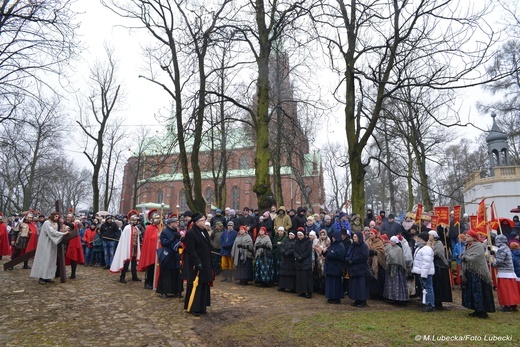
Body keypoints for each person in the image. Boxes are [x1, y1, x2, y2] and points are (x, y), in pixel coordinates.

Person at [183, 213, 212, 316]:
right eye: (202, 220)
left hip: (206, 262)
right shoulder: (191, 233)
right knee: (197, 285)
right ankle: (195, 307)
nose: (204, 222)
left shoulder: (204, 231)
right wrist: (197, 262)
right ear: (196, 222)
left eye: (204, 220)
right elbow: (190, 249)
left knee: (203, 284)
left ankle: (202, 306)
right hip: (197, 263)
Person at [461, 230, 495, 318]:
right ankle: (476, 309)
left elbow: (476, 257)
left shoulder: (478, 246)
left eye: (468, 236)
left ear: (473, 237)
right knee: (473, 291)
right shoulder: (468, 246)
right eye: (466, 236)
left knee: (479, 291)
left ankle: (482, 311)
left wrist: (465, 257)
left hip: (478, 273)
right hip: (470, 272)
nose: (466, 237)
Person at [30, 212, 69, 284]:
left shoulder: (56, 224)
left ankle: (48, 277)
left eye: (57, 217)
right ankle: (41, 277)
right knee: (44, 260)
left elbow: (55, 232)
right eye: (56, 216)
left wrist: (61, 232)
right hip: (45, 244)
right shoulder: (47, 223)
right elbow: (51, 232)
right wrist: (63, 234)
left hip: (52, 244)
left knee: (51, 261)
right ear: (52, 216)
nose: (57, 218)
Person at [110, 210, 142, 284]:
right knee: (126, 263)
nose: (136, 222)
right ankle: (122, 276)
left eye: (136, 220)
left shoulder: (136, 228)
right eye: (135, 220)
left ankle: (134, 276)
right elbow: (125, 239)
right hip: (128, 248)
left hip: (135, 247)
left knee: (134, 263)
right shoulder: (127, 228)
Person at [491, 234, 520, 312]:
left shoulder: (502, 249)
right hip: (509, 272)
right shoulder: (506, 248)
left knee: (505, 291)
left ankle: (507, 305)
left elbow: (500, 260)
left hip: (504, 272)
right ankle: (512, 304)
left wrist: (493, 264)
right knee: (511, 291)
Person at [156, 217, 182, 298]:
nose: (177, 224)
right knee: (166, 274)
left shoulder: (176, 231)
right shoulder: (165, 231)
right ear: (170, 224)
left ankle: (176, 291)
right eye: (175, 222)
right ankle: (163, 291)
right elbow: (164, 243)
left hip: (175, 255)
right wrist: (172, 238)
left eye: (177, 222)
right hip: (167, 255)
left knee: (175, 273)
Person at [428, 230, 452, 309]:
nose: (429, 237)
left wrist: (430, 250)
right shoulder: (430, 243)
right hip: (434, 266)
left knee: (439, 284)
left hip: (440, 266)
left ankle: (439, 302)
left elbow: (438, 253)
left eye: (430, 235)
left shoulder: (439, 244)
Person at [412, 232, 435, 312]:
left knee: (428, 288)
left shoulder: (427, 249)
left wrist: (424, 274)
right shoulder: (420, 248)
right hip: (421, 272)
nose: (418, 240)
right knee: (424, 288)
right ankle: (426, 303)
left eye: (420, 239)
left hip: (425, 273)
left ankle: (430, 304)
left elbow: (426, 263)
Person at [139, 209, 162, 289]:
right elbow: (150, 239)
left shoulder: (159, 227)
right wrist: (157, 236)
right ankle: (148, 282)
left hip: (157, 251)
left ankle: (154, 281)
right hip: (151, 251)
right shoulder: (149, 228)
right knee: (150, 268)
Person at [345, 232, 369, 307]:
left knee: (361, 285)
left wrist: (353, 260)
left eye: (355, 237)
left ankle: (362, 300)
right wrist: (348, 259)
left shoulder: (364, 246)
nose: (354, 238)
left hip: (361, 268)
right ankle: (357, 299)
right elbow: (348, 253)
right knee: (354, 285)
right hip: (353, 269)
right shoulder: (352, 246)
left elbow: (363, 256)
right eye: (354, 237)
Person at [383, 236, 409, 305]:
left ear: (395, 242)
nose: (391, 242)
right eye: (390, 241)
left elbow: (398, 258)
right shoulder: (389, 248)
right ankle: (392, 297)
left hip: (397, 269)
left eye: (392, 241)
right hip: (390, 267)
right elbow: (387, 255)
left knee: (397, 283)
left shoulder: (399, 249)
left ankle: (400, 298)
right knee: (391, 283)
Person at [323, 230, 346, 304]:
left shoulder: (340, 245)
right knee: (330, 283)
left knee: (336, 284)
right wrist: (324, 252)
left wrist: (329, 254)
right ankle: (330, 296)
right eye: (332, 237)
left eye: (334, 237)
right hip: (330, 267)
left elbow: (338, 255)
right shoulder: (332, 245)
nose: (333, 238)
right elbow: (328, 253)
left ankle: (336, 298)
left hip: (336, 267)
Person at [366, 229, 386, 300]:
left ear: (375, 234)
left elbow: (382, 251)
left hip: (377, 263)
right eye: (370, 233)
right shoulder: (367, 241)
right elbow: (365, 249)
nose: (370, 235)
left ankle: (378, 294)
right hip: (369, 262)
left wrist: (375, 252)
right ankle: (371, 293)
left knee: (377, 278)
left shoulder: (379, 242)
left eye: (372, 233)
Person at [63, 213, 85, 279]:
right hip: (65, 242)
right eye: (67, 217)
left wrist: (64, 221)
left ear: (73, 218)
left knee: (73, 258)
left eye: (70, 217)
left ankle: (73, 273)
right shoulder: (64, 225)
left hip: (73, 243)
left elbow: (71, 225)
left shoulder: (74, 224)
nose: (68, 218)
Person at [294, 230, 313, 298]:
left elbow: (308, 251)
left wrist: (301, 257)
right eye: (298, 235)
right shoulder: (296, 241)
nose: (299, 237)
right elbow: (294, 250)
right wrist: (297, 256)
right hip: (299, 262)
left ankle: (309, 292)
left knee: (307, 278)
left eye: (301, 235)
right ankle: (302, 291)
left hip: (306, 261)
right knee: (300, 278)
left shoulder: (308, 242)